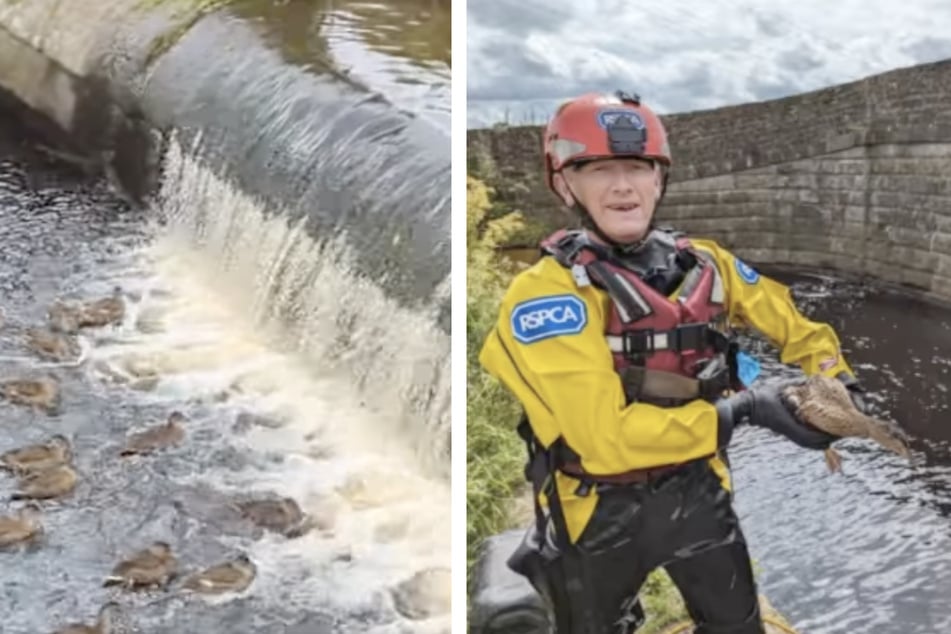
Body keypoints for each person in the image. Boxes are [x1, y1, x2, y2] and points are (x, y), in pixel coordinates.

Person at [477, 90, 868, 634]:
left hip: (699, 488)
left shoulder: (705, 263)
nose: (622, 186)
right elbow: (604, 440)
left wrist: (836, 377)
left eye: (637, 167)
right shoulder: (547, 297)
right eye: (598, 170)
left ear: (658, 179)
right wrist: (742, 412)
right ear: (565, 184)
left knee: (737, 626)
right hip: (596, 508)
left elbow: (787, 318)